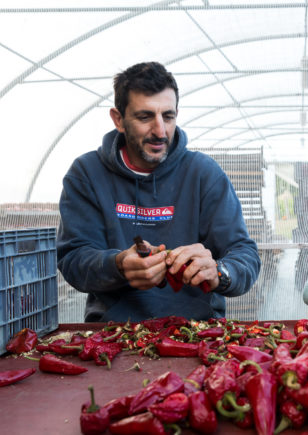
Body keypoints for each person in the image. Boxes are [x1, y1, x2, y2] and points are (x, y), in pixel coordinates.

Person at [57, 61, 261, 322]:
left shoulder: (203, 173)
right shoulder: (87, 173)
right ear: (118, 119)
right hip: (113, 334)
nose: (160, 131)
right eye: (145, 117)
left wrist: (219, 271)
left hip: (198, 330)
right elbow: (74, 259)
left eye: (168, 116)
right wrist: (118, 264)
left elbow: (244, 253)